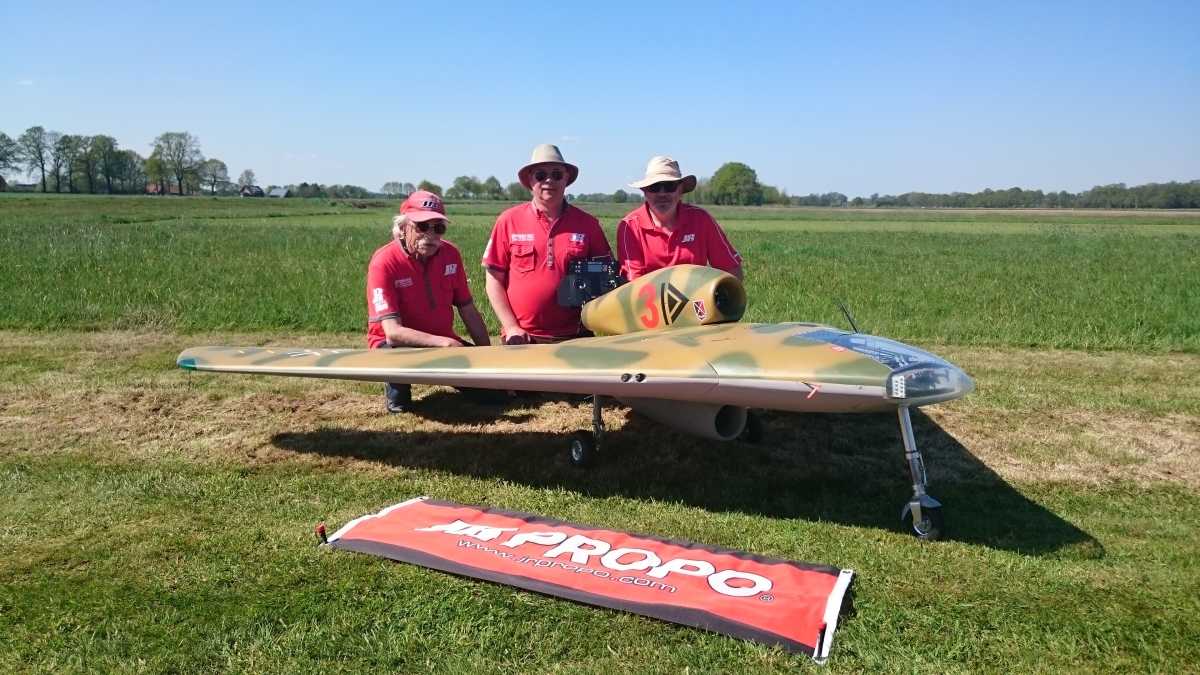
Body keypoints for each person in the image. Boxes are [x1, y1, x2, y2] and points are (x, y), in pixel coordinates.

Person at [367, 190, 493, 413]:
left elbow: (468, 310)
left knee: (495, 395)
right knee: (402, 408)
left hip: (443, 341)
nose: (431, 234)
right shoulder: (383, 262)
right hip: (395, 346)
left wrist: (489, 360)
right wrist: (445, 344)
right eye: (422, 226)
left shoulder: (451, 254)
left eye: (439, 228)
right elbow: (393, 333)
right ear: (402, 228)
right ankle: (397, 388)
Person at [483, 144, 613, 344]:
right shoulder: (508, 221)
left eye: (557, 174)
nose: (549, 180)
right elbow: (493, 279)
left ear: (566, 179)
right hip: (522, 337)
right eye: (541, 174)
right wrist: (510, 327)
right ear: (530, 180)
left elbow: (606, 278)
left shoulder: (588, 224)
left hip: (575, 335)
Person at [617, 156, 743, 282]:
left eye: (669, 186)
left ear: (680, 189)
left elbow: (731, 269)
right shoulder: (630, 227)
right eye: (654, 187)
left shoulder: (701, 220)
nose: (662, 193)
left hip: (696, 294)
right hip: (648, 295)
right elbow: (633, 284)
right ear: (645, 191)